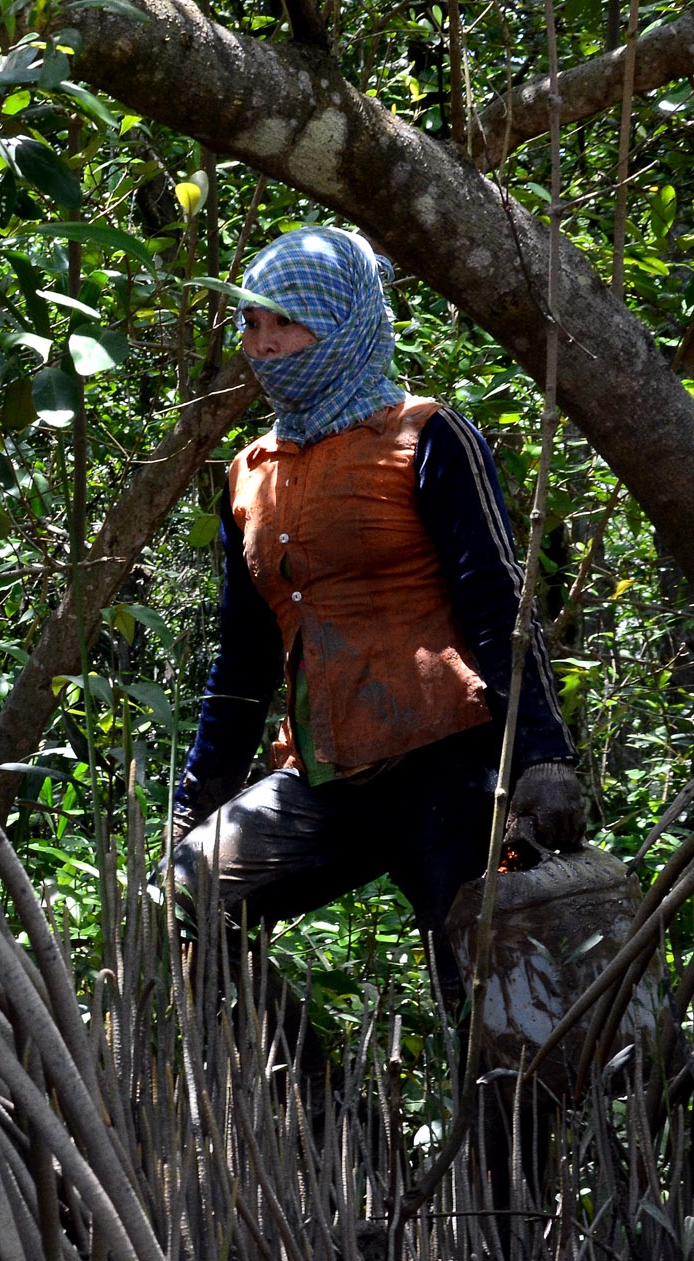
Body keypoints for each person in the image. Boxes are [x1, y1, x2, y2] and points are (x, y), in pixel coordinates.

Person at [166, 224, 585, 1003]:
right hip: (325, 777)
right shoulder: (248, 475)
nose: (263, 345)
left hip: (449, 770)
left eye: (284, 322)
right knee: (185, 895)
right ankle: (323, 1117)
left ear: (344, 322)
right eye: (251, 323)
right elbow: (245, 651)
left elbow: (499, 605)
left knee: (490, 1004)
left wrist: (543, 758)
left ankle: (500, 1129)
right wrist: (203, 791)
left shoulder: (428, 439)